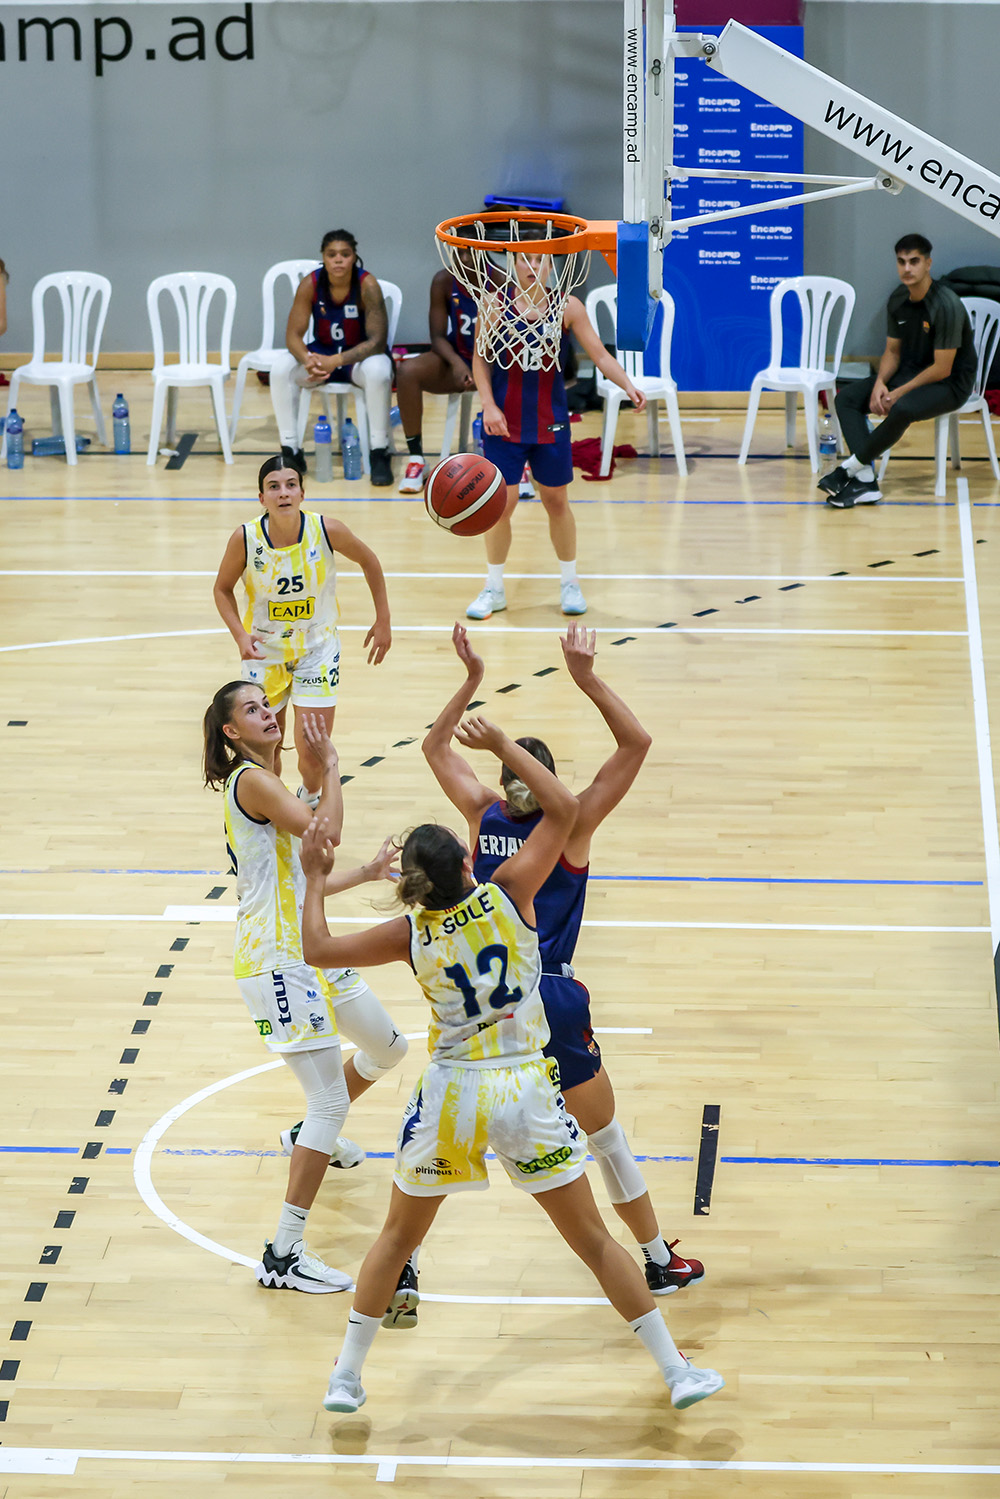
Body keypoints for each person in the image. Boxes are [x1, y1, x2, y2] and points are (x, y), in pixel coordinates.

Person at [297, 724, 723, 1416]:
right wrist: (502, 743)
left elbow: (316, 946)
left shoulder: (409, 933)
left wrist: (317, 873)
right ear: (466, 866)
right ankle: (676, 1370)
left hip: (452, 1095)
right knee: (591, 1239)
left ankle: (345, 1376)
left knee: (398, 1237)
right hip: (524, 1086)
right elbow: (563, 809)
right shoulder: (508, 892)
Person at [395, 621, 701, 1314]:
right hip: (549, 996)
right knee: (604, 1134)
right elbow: (635, 745)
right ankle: (656, 1260)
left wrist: (478, 685)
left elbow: (436, 748)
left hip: (485, 1006)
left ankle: (406, 1261)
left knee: (441, 1132)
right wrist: (565, 679)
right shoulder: (568, 820)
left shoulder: (487, 812)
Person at [202, 682, 409, 1292]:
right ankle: (282, 1253)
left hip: (309, 950)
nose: (267, 712)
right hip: (276, 962)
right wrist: (334, 768)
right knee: (329, 1104)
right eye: (251, 709)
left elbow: (305, 874)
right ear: (230, 733)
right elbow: (325, 834)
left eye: (268, 705)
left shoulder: (272, 784)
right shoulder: (252, 781)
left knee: (390, 1048)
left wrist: (365, 875)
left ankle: (303, 1139)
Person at [466, 252, 646, 620]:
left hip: (550, 421)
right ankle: (494, 587)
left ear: (551, 266)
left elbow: (599, 354)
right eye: (524, 260)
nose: (532, 266)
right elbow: (479, 359)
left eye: (540, 260)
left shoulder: (568, 306)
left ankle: (569, 582)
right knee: (501, 506)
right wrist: (488, 404)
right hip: (503, 422)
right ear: (512, 264)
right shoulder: (494, 305)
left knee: (557, 502)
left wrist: (628, 384)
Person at [213, 455, 391, 796]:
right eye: (274, 487)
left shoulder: (326, 530)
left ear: (302, 493)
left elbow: (370, 561)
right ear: (261, 497)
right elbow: (222, 589)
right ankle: (272, 820)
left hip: (317, 650)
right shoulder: (246, 539)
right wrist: (239, 635)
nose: (283, 493)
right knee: (264, 756)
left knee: (312, 754)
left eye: (290, 485)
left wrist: (383, 619)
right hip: (264, 653)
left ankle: (308, 809)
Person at [821, 233, 976, 509]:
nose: (907, 268)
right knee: (846, 399)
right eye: (901, 261)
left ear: (928, 263)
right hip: (910, 373)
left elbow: (942, 368)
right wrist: (881, 382)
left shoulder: (946, 305)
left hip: (952, 384)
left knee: (902, 407)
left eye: (914, 261)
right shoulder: (897, 299)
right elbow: (892, 352)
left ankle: (847, 470)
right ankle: (867, 480)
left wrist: (898, 392)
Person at [395, 262, 536, 502]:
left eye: (470, 250)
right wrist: (458, 364)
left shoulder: (501, 281)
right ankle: (417, 459)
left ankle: (518, 463)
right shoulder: (444, 280)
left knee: (517, 374)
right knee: (407, 372)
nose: (465, 257)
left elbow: (514, 336)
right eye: (459, 251)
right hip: (457, 358)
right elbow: (437, 337)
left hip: (494, 359)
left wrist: (481, 368)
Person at [270, 230, 395, 485]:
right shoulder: (311, 284)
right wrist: (307, 360)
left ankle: (379, 451)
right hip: (322, 355)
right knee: (280, 367)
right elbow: (292, 336)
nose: (338, 260)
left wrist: (336, 362)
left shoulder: (367, 285)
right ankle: (290, 450)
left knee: (380, 370)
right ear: (323, 258)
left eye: (345, 254)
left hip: (357, 360)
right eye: (332, 254)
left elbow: (377, 341)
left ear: (354, 257)